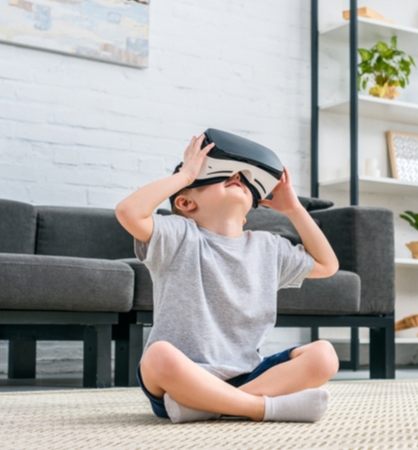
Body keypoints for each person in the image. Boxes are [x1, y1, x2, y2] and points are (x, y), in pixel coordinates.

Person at [115, 133, 340, 423]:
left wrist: (294, 209)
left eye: (243, 179)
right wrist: (186, 174)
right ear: (185, 203)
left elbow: (327, 264)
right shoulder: (178, 235)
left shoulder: (268, 247)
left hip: (248, 374)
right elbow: (127, 212)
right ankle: (260, 408)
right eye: (218, 175)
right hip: (184, 376)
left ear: (247, 214)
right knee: (157, 356)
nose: (237, 177)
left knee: (324, 356)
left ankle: (211, 406)